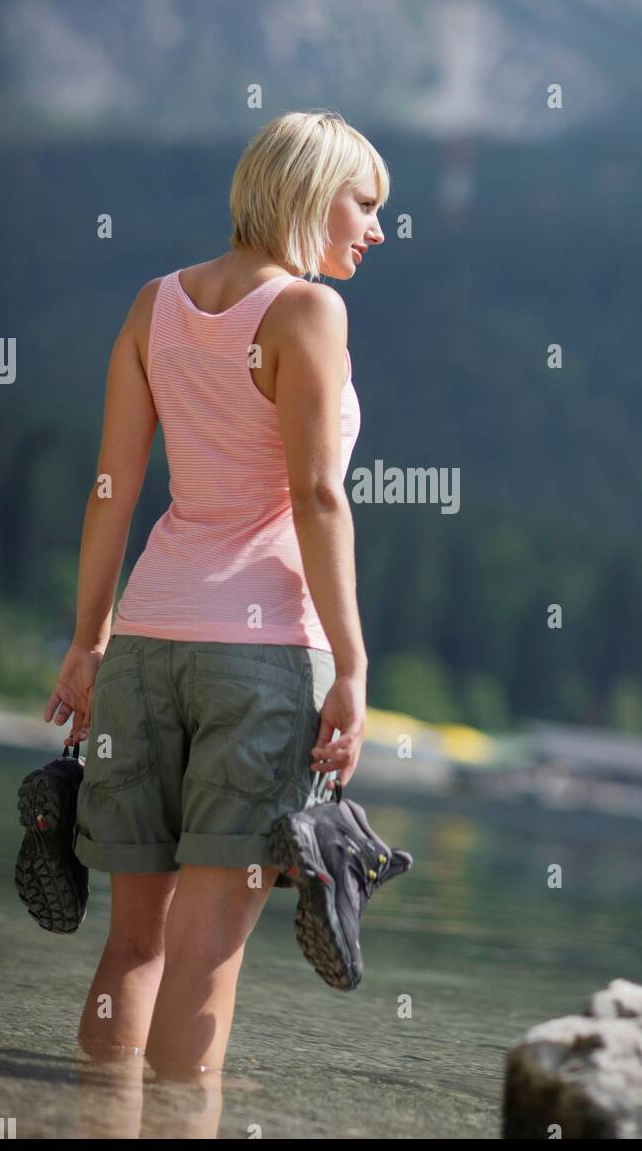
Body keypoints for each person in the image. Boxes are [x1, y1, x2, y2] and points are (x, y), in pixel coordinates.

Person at [41, 109, 389, 1078]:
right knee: (206, 959)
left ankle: (90, 1144)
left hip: (147, 641)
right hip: (263, 653)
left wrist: (86, 640)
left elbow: (110, 487)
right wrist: (354, 666)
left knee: (134, 948)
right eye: (364, 204)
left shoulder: (152, 305)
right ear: (312, 193)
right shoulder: (307, 313)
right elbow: (320, 496)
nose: (375, 228)